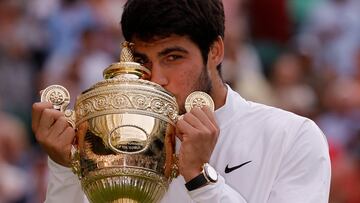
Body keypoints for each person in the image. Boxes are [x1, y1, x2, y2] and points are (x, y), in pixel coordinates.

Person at [31, 0, 331, 202]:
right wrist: (63, 167)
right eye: (142, 60)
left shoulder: (293, 136)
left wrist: (200, 177)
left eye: (173, 57)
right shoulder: (116, 142)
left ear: (215, 51)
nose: (156, 77)